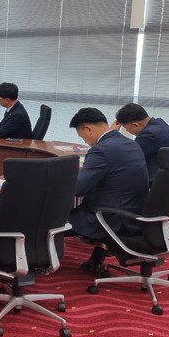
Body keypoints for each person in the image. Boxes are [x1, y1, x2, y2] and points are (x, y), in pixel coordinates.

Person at [68, 108, 149, 275]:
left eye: (83, 137)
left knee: (52, 219)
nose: (87, 142)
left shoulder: (101, 150)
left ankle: (42, 262)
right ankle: (97, 257)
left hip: (109, 217)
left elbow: (78, 188)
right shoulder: (131, 144)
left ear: (88, 129)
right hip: (134, 213)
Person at [113, 103, 169, 181]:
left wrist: (113, 133)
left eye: (125, 128)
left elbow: (124, 157)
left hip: (160, 182)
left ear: (135, 125)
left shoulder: (149, 135)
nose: (126, 131)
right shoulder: (159, 124)